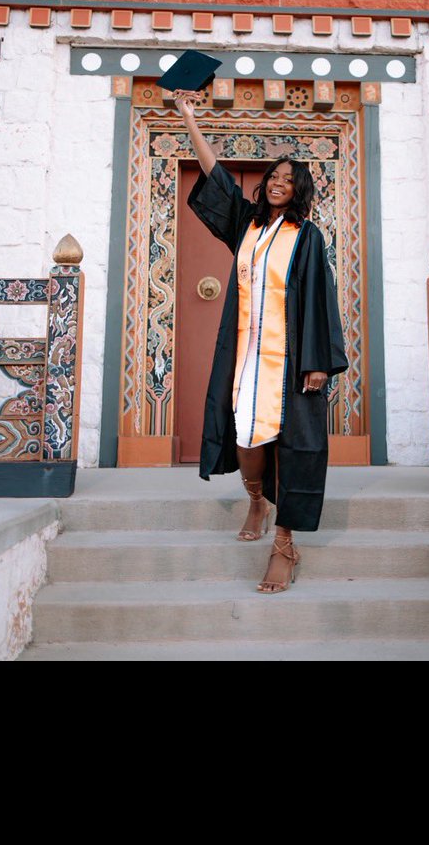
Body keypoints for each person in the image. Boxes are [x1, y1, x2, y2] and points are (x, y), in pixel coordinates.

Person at [175, 91, 349, 593]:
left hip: (291, 359)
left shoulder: (307, 236)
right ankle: (255, 496)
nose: (277, 184)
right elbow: (216, 179)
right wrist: (189, 117)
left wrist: (319, 362)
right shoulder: (246, 226)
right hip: (247, 356)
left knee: (295, 446)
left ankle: (284, 544)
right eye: (273, 177)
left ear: (299, 190)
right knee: (247, 438)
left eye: (287, 180)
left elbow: (320, 297)